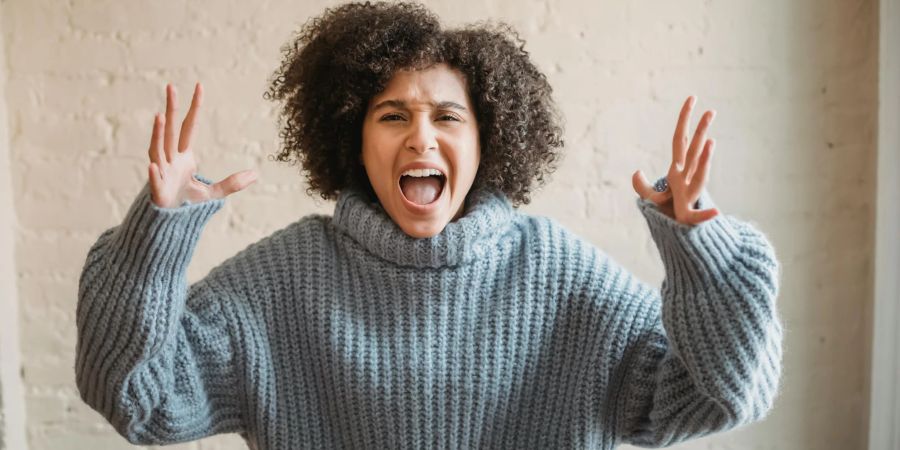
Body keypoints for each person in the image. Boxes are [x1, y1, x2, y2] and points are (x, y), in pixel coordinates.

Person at [74, 2, 783, 449]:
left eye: (447, 117)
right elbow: (140, 404)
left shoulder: (561, 277)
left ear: (488, 142)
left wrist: (705, 256)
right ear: (353, 141)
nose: (420, 138)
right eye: (392, 116)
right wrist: (153, 241)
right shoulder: (280, 282)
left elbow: (722, 397)